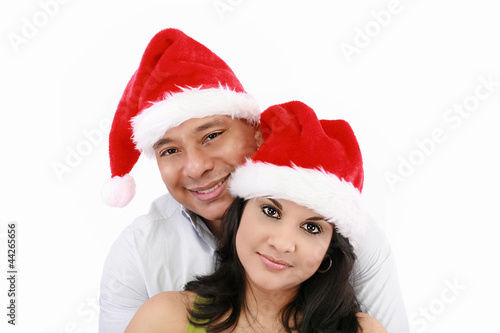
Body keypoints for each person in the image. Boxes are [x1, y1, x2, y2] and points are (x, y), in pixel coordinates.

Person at [99, 28, 408, 332]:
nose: (195, 168)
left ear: (256, 131)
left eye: (213, 135)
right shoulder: (138, 255)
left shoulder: (354, 235)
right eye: (169, 150)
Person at [125, 100, 388, 332]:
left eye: (312, 228)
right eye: (270, 211)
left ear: (328, 253)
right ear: (237, 216)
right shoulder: (165, 319)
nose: (283, 243)